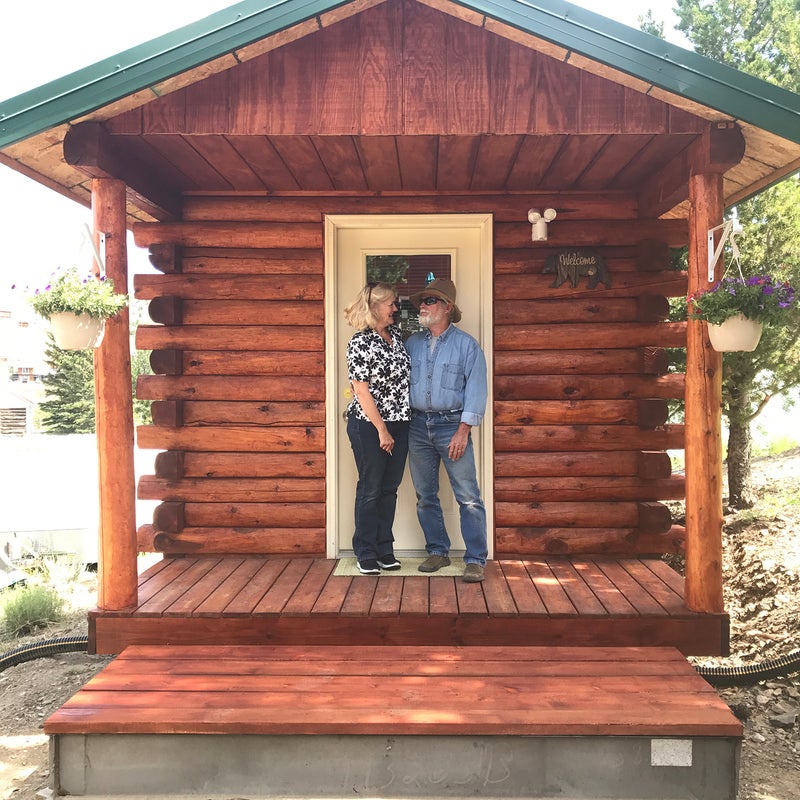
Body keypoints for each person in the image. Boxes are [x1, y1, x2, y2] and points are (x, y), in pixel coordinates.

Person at [405, 278, 488, 582]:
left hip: (453, 425)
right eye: (422, 302)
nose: (423, 307)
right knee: (425, 494)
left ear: (448, 307)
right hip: (416, 426)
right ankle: (437, 551)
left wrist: (463, 429)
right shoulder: (411, 343)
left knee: (468, 496)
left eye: (430, 301)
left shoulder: (467, 345)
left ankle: (476, 559)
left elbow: (477, 390)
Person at [344, 282, 411, 575]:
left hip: (401, 423)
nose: (396, 308)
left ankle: (385, 549)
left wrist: (396, 427)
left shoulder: (396, 336)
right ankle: (366, 551)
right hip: (370, 427)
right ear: (374, 308)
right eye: (391, 304)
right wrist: (382, 430)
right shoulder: (359, 343)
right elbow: (361, 391)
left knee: (389, 489)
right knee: (370, 489)